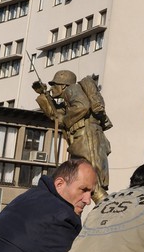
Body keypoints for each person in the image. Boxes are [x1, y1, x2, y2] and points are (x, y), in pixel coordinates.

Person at [34, 70, 112, 200]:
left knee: (93, 181)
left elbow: (83, 106)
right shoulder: (67, 99)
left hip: (86, 137)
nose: (52, 88)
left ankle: (108, 211)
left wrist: (65, 120)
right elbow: (56, 114)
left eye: (55, 85)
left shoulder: (72, 90)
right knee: (83, 180)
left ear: (63, 85)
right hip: (81, 137)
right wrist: (43, 95)